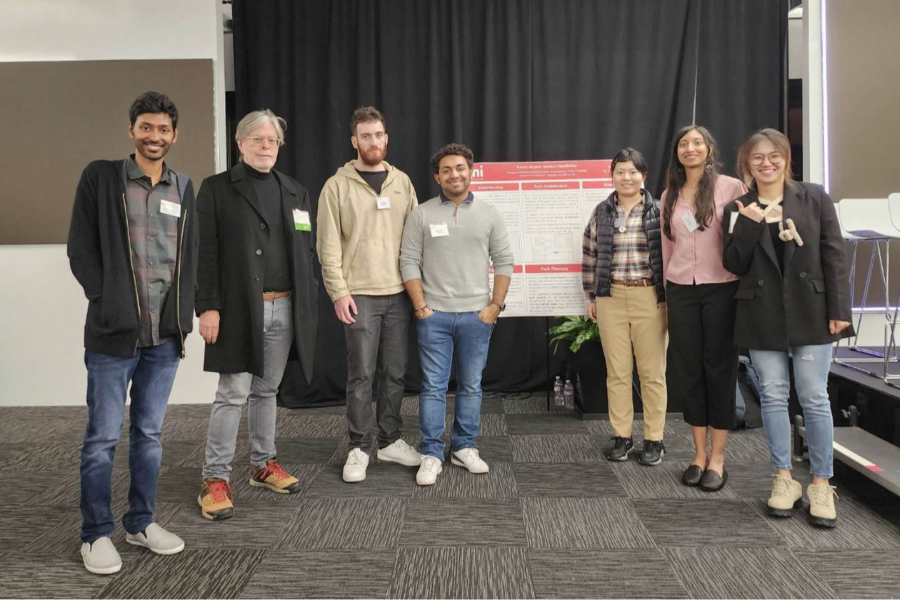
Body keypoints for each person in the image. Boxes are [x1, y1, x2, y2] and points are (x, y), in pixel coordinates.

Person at [67, 91, 197, 574]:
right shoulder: (101, 178)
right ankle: (95, 534)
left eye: (164, 129)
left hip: (164, 338)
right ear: (132, 130)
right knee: (101, 438)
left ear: (174, 135)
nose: (155, 137)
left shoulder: (184, 187)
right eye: (146, 127)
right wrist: (108, 302)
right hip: (112, 335)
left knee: (149, 433)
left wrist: (184, 315)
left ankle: (140, 522)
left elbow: (191, 258)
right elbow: (81, 249)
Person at [723, 128, 852, 527]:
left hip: (812, 312)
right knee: (774, 396)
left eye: (774, 156)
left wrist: (840, 309)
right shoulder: (739, 206)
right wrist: (747, 224)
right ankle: (783, 479)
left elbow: (834, 255)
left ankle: (820, 482)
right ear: (747, 164)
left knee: (814, 396)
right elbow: (733, 263)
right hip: (761, 315)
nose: (766, 163)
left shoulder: (813, 197)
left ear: (786, 158)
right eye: (757, 158)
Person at [195, 109, 318, 520]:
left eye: (273, 141)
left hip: (285, 306)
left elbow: (304, 250)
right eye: (258, 139)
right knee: (232, 394)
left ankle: (263, 464)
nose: (266, 146)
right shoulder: (215, 190)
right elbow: (205, 256)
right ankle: (215, 478)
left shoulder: (296, 191)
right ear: (240, 142)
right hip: (237, 310)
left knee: (267, 391)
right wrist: (208, 307)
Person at [400, 143, 514, 486]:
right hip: (433, 316)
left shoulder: (490, 214)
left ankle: (464, 447)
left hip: (476, 317)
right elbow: (408, 261)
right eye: (447, 169)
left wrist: (494, 307)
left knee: (471, 385)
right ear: (437, 176)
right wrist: (421, 307)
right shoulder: (421, 214)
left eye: (461, 168)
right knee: (433, 387)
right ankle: (432, 453)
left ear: (471, 171)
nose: (454, 174)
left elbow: (504, 260)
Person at [317, 107, 421, 483]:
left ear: (386, 138)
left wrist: (417, 289)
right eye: (365, 136)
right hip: (359, 293)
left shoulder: (402, 182)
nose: (373, 142)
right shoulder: (337, 186)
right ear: (354, 141)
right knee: (361, 374)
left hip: (400, 294)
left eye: (378, 134)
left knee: (395, 373)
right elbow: (327, 246)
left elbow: (415, 241)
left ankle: (390, 440)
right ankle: (360, 447)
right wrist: (338, 292)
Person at [660, 126, 747, 491]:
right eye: (684, 144)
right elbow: (666, 248)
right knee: (689, 372)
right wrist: (666, 294)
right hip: (681, 289)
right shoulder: (669, 195)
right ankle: (697, 454)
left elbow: (743, 241)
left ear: (710, 148)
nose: (690, 148)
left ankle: (718, 458)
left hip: (721, 288)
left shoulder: (731, 188)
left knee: (719, 370)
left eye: (697, 143)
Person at [582, 148, 667, 466]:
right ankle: (622, 436)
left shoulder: (660, 210)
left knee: (652, 374)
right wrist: (591, 296)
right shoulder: (602, 212)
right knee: (617, 373)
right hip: (610, 298)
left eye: (633, 172)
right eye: (620, 172)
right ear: (612, 176)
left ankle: (654, 440)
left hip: (649, 297)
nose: (626, 177)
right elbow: (589, 252)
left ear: (644, 176)